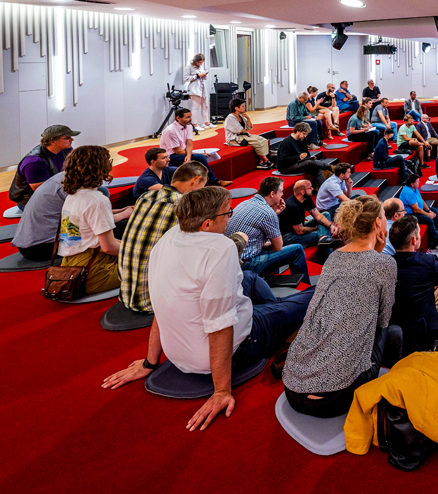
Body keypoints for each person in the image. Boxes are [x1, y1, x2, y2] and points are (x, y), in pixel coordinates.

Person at [102, 186, 315, 431]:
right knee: (310, 297)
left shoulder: (168, 239)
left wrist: (150, 363)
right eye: (228, 213)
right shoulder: (219, 248)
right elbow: (220, 326)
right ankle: (279, 316)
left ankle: (275, 312)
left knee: (248, 278)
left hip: (177, 352)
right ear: (206, 224)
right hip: (238, 348)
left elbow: (162, 305)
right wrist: (222, 390)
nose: (230, 218)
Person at [281, 195, 403, 419]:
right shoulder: (385, 263)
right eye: (384, 217)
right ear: (378, 223)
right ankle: (389, 393)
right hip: (335, 397)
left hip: (292, 386)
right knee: (393, 332)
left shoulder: (334, 257)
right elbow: (383, 319)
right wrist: (379, 251)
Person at [118, 162, 211, 313]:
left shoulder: (145, 197)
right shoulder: (185, 207)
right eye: (203, 186)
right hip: (155, 300)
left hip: (127, 291)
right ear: (195, 180)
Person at [389, 215, 438, 353]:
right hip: (424, 336)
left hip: (394, 332)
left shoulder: (385, 265)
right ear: (414, 240)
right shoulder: (427, 262)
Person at [58, 146, 129, 295]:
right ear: (100, 167)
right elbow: (108, 247)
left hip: (70, 265)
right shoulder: (97, 200)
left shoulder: (73, 196)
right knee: (156, 263)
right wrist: (141, 251)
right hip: (93, 271)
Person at [12, 166, 118, 261]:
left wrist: (121, 212)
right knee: (119, 229)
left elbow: (89, 215)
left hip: (32, 244)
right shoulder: (74, 188)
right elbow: (91, 223)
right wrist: (123, 214)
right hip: (42, 247)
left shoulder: (65, 179)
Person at [226, 176, 310, 280]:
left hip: (230, 261)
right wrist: (273, 215)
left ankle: (267, 281)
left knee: (269, 244)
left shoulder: (244, 203)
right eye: (281, 192)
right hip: (245, 265)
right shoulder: (268, 213)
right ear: (272, 194)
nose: (282, 195)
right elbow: (277, 247)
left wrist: (275, 213)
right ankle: (306, 288)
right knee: (297, 249)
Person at [8, 124, 78, 210]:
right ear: (53, 141)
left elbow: (74, 168)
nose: (72, 139)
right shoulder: (35, 162)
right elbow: (42, 192)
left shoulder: (66, 149)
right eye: (67, 138)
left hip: (57, 188)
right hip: (32, 200)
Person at [160, 107, 229, 186]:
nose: (190, 119)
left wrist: (189, 156)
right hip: (170, 157)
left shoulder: (188, 126)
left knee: (202, 156)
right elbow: (178, 151)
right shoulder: (170, 130)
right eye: (187, 117)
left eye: (190, 116)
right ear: (178, 118)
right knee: (200, 157)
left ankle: (204, 183)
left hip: (182, 153)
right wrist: (192, 155)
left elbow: (189, 143)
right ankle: (213, 181)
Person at [398, 173, 438, 250]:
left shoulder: (414, 188)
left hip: (417, 210)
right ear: (412, 184)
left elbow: (421, 199)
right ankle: (437, 243)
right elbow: (416, 209)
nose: (419, 182)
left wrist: (429, 210)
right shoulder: (408, 192)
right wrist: (428, 215)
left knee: (434, 210)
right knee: (428, 220)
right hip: (410, 214)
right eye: (417, 181)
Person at [279, 179, 334, 249]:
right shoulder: (291, 206)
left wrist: (331, 225)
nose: (312, 188)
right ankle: (324, 240)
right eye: (310, 188)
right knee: (321, 234)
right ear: (302, 192)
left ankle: (323, 238)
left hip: (300, 226)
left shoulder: (306, 198)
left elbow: (317, 215)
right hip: (288, 236)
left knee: (325, 214)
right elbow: (300, 230)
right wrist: (315, 229)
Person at [276, 122, 328, 190]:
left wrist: (308, 157)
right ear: (298, 131)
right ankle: (329, 167)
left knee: (316, 168)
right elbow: (282, 160)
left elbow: (306, 153)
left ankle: (325, 190)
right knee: (310, 163)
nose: (305, 136)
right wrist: (299, 157)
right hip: (286, 167)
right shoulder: (286, 143)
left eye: (306, 134)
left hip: (298, 162)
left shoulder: (302, 139)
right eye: (304, 134)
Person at [224, 98, 272, 169]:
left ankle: (261, 160)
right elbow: (241, 131)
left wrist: (248, 119)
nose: (244, 108)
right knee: (257, 142)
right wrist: (246, 131)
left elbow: (248, 128)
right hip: (235, 138)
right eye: (242, 106)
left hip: (244, 135)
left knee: (264, 140)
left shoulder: (241, 116)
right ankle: (265, 160)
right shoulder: (230, 118)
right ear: (236, 108)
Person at [183, 53, 212, 130]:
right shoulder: (188, 67)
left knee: (205, 106)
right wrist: (197, 76)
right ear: (196, 61)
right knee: (195, 107)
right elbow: (186, 78)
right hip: (194, 88)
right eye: (200, 62)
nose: (201, 63)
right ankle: (194, 125)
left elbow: (202, 76)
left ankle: (206, 123)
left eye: (202, 62)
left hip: (202, 87)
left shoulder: (200, 67)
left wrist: (204, 75)